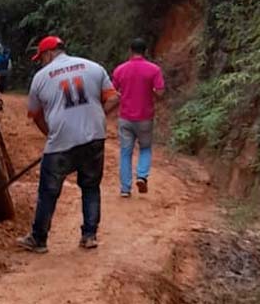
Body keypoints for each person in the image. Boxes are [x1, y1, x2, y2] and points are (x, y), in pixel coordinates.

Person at [17, 36, 118, 253]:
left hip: (60, 143)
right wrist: (98, 116)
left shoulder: (41, 78)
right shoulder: (94, 68)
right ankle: (89, 235)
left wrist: (51, 134)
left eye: (41, 57)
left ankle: (39, 239)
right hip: (94, 138)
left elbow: (35, 115)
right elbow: (113, 98)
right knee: (90, 186)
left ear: (49, 53)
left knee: (48, 191)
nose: (41, 62)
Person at [111, 38, 165, 197]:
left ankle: (125, 189)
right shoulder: (154, 69)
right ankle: (141, 176)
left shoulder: (120, 70)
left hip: (125, 117)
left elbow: (112, 93)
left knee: (125, 153)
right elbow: (161, 92)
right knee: (145, 148)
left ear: (130, 50)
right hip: (145, 118)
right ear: (145, 51)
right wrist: (151, 91)